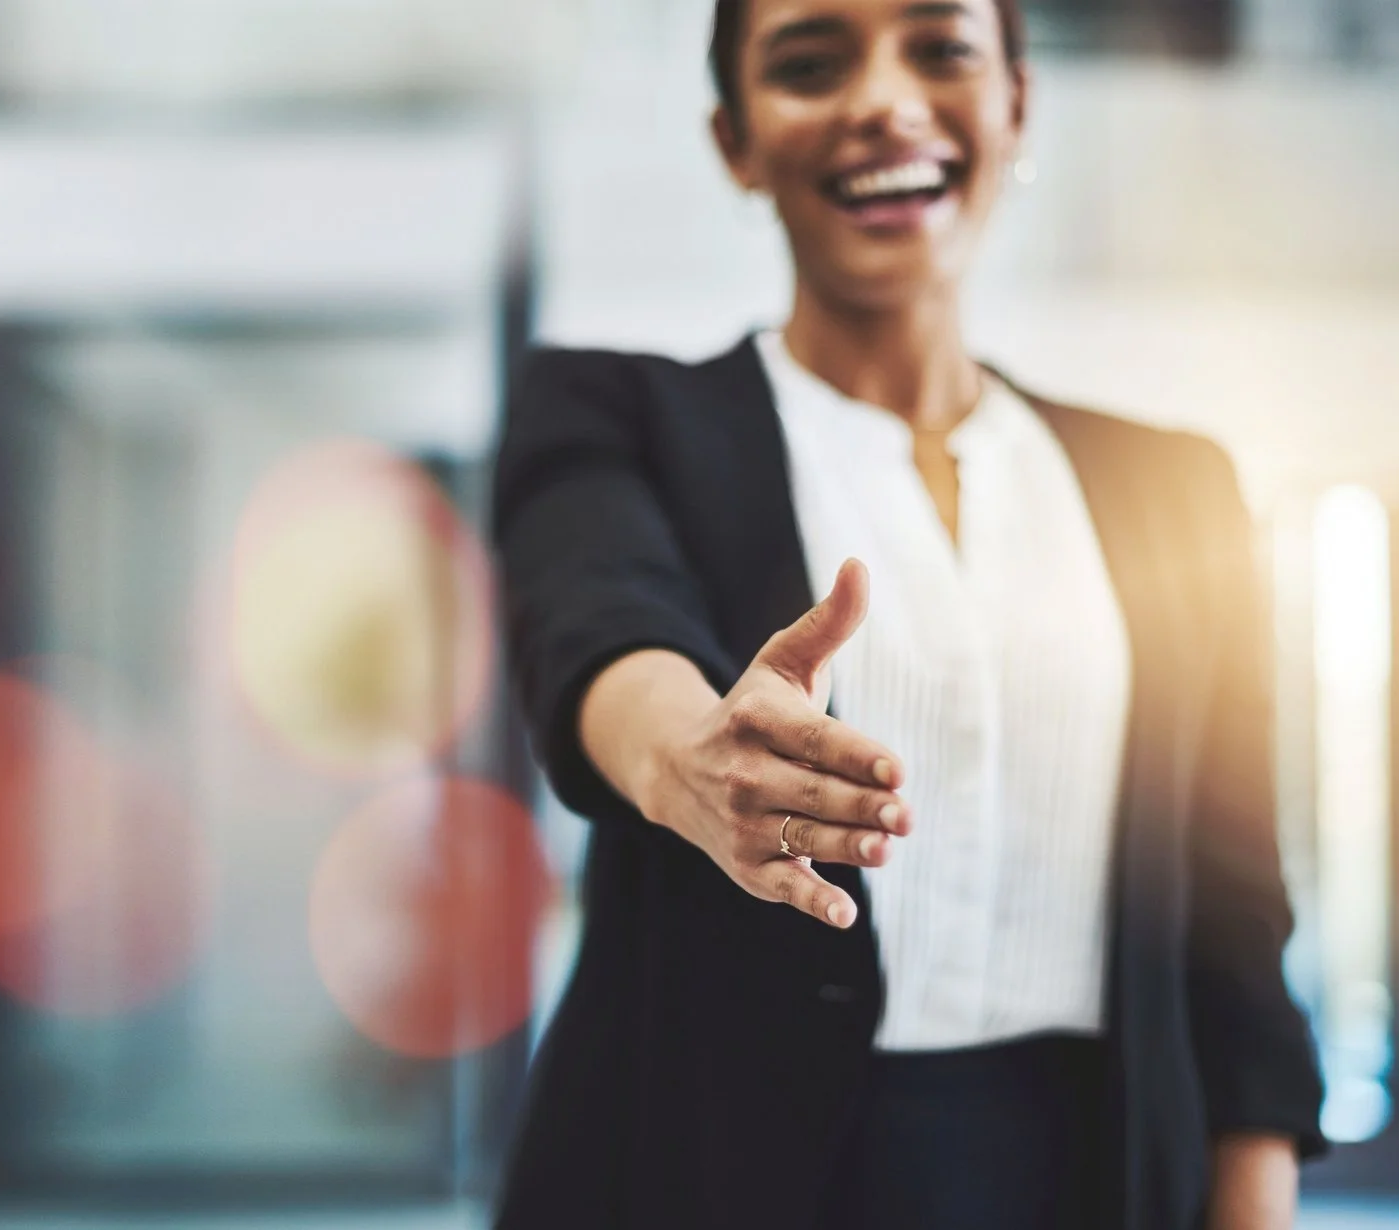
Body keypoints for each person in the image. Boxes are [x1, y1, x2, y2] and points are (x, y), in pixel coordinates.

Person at [488, 1, 1325, 1227]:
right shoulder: (612, 417)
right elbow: (600, 627)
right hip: (712, 1174)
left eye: (939, 48)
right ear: (734, 140)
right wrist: (694, 762)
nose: (883, 100)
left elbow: (1236, 930)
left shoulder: (1177, 492)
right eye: (811, 63)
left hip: (1092, 1175)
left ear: (1016, 104)